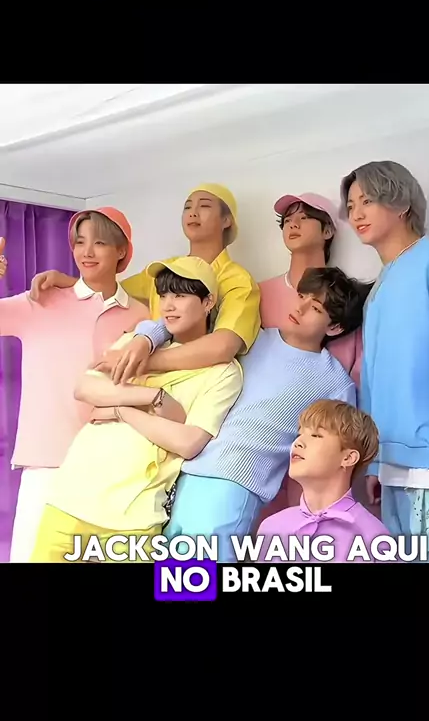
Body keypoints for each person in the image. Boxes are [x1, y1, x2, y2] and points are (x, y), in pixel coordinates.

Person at [31, 257, 243, 562]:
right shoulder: (137, 342)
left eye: (180, 295)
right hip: (71, 497)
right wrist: (152, 398)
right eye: (164, 295)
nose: (168, 305)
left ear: (207, 302)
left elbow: (188, 441)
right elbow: (85, 387)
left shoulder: (223, 372)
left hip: (135, 516)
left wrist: (122, 410)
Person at [164, 266, 362, 562]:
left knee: (205, 576)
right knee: (169, 576)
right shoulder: (248, 339)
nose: (300, 307)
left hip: (237, 483)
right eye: (302, 296)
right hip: (184, 469)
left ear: (334, 327)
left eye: (316, 308)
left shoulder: (335, 383)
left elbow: (334, 461)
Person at [342, 160, 429, 563]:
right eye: (350, 206)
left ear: (401, 203)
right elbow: (375, 380)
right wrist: (375, 463)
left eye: (367, 200)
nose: (357, 214)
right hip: (394, 472)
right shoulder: (380, 286)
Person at [0, 208, 147, 562]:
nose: (87, 252)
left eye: (99, 243)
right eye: (80, 243)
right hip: (47, 463)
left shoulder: (141, 317)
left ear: (122, 251)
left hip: (111, 468)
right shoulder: (42, 300)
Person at [31, 184, 261, 382]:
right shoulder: (163, 269)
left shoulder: (237, 280)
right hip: (144, 379)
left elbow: (222, 346)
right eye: (187, 207)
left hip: (196, 381)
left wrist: (139, 359)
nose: (193, 213)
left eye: (204, 206)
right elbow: (113, 293)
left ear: (226, 220)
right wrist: (70, 282)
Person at [258, 192, 368, 517]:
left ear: (328, 230)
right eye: (287, 219)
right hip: (254, 453)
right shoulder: (258, 293)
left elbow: (354, 387)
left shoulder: (345, 303)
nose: (293, 224)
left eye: (304, 217)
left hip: (315, 454)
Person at [256, 399, 393, 563]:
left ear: (348, 458)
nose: (298, 443)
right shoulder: (270, 528)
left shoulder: (374, 539)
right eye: (299, 435)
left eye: (316, 435)